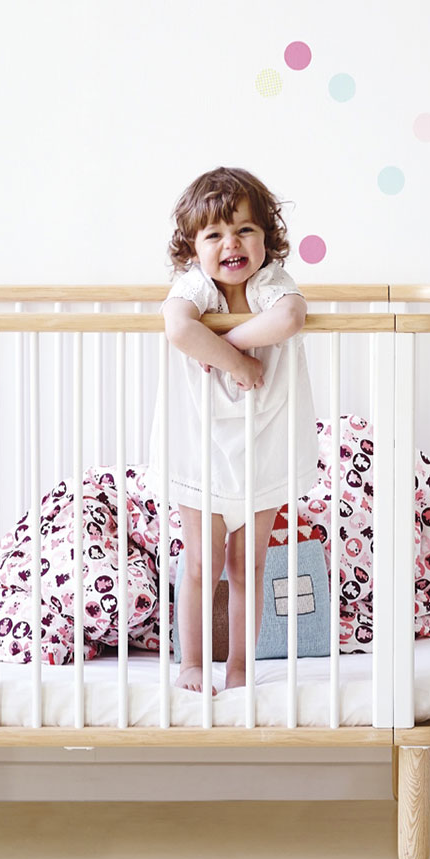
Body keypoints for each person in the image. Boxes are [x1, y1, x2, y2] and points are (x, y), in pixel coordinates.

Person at [147, 167, 319, 692]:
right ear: (192, 247)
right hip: (202, 450)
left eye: (245, 230)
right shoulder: (195, 288)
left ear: (267, 237)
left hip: (263, 449)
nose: (232, 244)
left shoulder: (271, 284)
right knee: (201, 562)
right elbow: (179, 327)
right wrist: (237, 364)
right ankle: (193, 664)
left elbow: (289, 319)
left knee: (249, 565)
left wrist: (230, 346)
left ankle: (241, 668)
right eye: (215, 234)